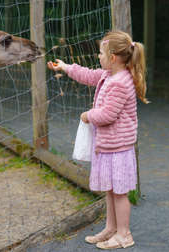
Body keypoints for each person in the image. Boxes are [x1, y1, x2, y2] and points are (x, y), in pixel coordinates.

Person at [47, 30, 149, 249]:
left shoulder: (120, 83)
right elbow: (88, 75)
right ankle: (111, 228)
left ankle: (124, 234)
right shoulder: (108, 75)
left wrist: (87, 116)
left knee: (120, 193)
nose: (98, 57)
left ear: (112, 58)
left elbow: (108, 115)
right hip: (108, 146)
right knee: (111, 190)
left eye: (101, 54)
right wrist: (65, 67)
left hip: (119, 148)